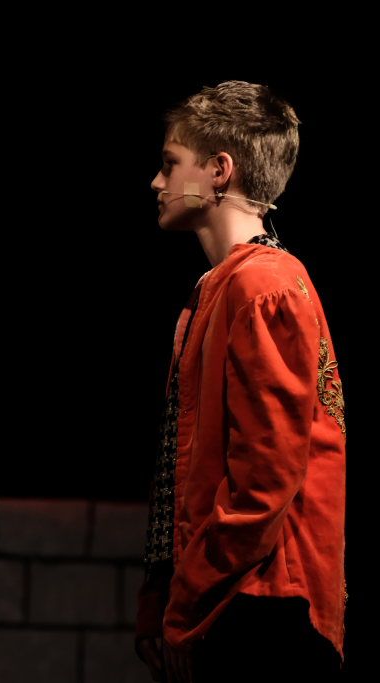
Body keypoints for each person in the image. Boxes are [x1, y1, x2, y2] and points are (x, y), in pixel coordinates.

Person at [135, 81, 346, 682]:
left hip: (261, 604)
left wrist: (188, 601)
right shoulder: (220, 290)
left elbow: (265, 479)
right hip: (225, 599)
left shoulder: (263, 287)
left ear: (219, 171)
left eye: (171, 163)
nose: (156, 182)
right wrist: (161, 598)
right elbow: (187, 470)